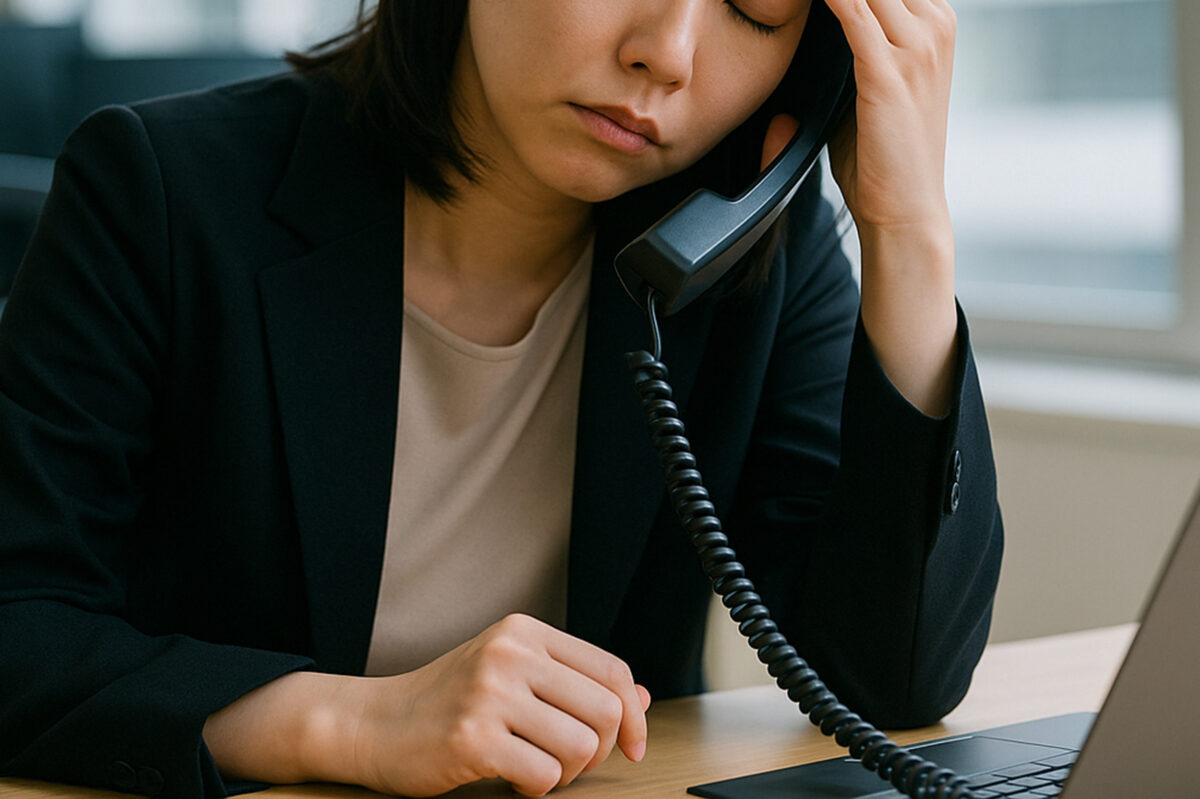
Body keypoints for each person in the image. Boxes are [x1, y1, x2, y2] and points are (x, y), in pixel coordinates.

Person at [0, 0, 1002, 797]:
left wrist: (907, 232)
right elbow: (18, 618)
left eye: (754, 11)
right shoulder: (158, 191)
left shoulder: (751, 263)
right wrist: (348, 722)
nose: (671, 52)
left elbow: (891, 684)